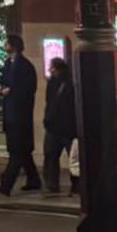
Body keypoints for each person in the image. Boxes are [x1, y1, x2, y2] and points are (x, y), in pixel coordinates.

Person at [0, 33, 41, 197]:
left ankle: (6, 184)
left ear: (13, 46)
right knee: (24, 152)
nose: (4, 46)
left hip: (20, 116)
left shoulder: (25, 66)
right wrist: (1, 89)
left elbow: (29, 89)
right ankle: (34, 180)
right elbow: (3, 81)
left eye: (6, 43)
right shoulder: (8, 63)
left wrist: (11, 91)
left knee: (17, 152)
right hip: (10, 114)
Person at [42, 57, 78, 195]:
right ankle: (71, 185)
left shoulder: (67, 83)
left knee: (60, 157)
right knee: (67, 158)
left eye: (52, 68)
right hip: (60, 127)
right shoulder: (56, 83)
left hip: (62, 127)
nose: (50, 70)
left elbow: (52, 104)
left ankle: (55, 185)